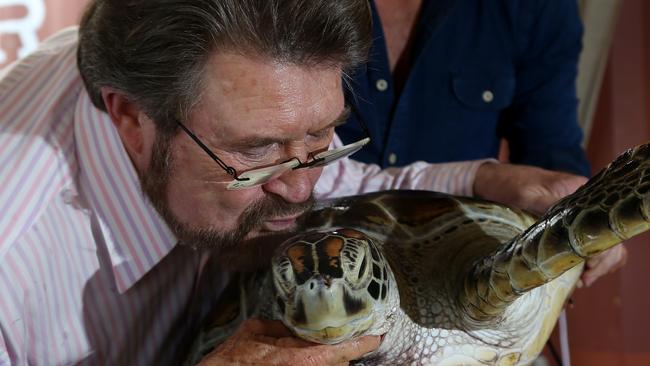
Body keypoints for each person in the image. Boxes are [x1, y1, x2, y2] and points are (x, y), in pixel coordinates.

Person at [0, 1, 618, 365]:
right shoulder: (15, 265)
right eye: (258, 152)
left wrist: (485, 177)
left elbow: (306, 159)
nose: (304, 193)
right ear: (131, 119)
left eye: (323, 137)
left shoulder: (212, 103)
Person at [335, 0, 626, 288]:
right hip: (319, 275)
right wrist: (483, 179)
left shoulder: (536, 8)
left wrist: (577, 213)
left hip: (458, 282)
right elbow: (332, 181)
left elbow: (551, 155)